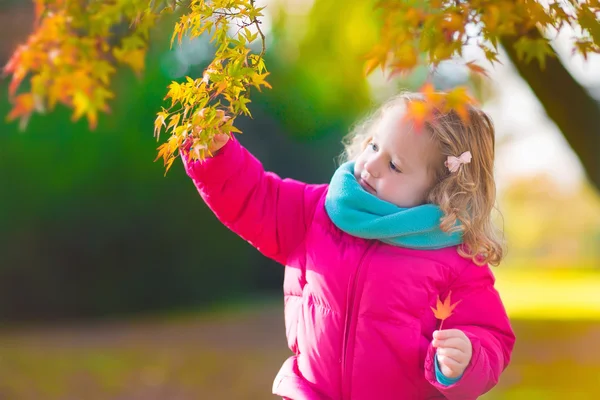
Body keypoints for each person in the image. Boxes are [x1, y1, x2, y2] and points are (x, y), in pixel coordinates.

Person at [181, 92, 515, 399]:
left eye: (394, 165)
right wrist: (216, 157)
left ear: (440, 191)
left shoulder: (454, 259)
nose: (370, 165)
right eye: (373, 147)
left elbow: (492, 336)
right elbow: (256, 198)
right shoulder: (320, 211)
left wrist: (467, 357)